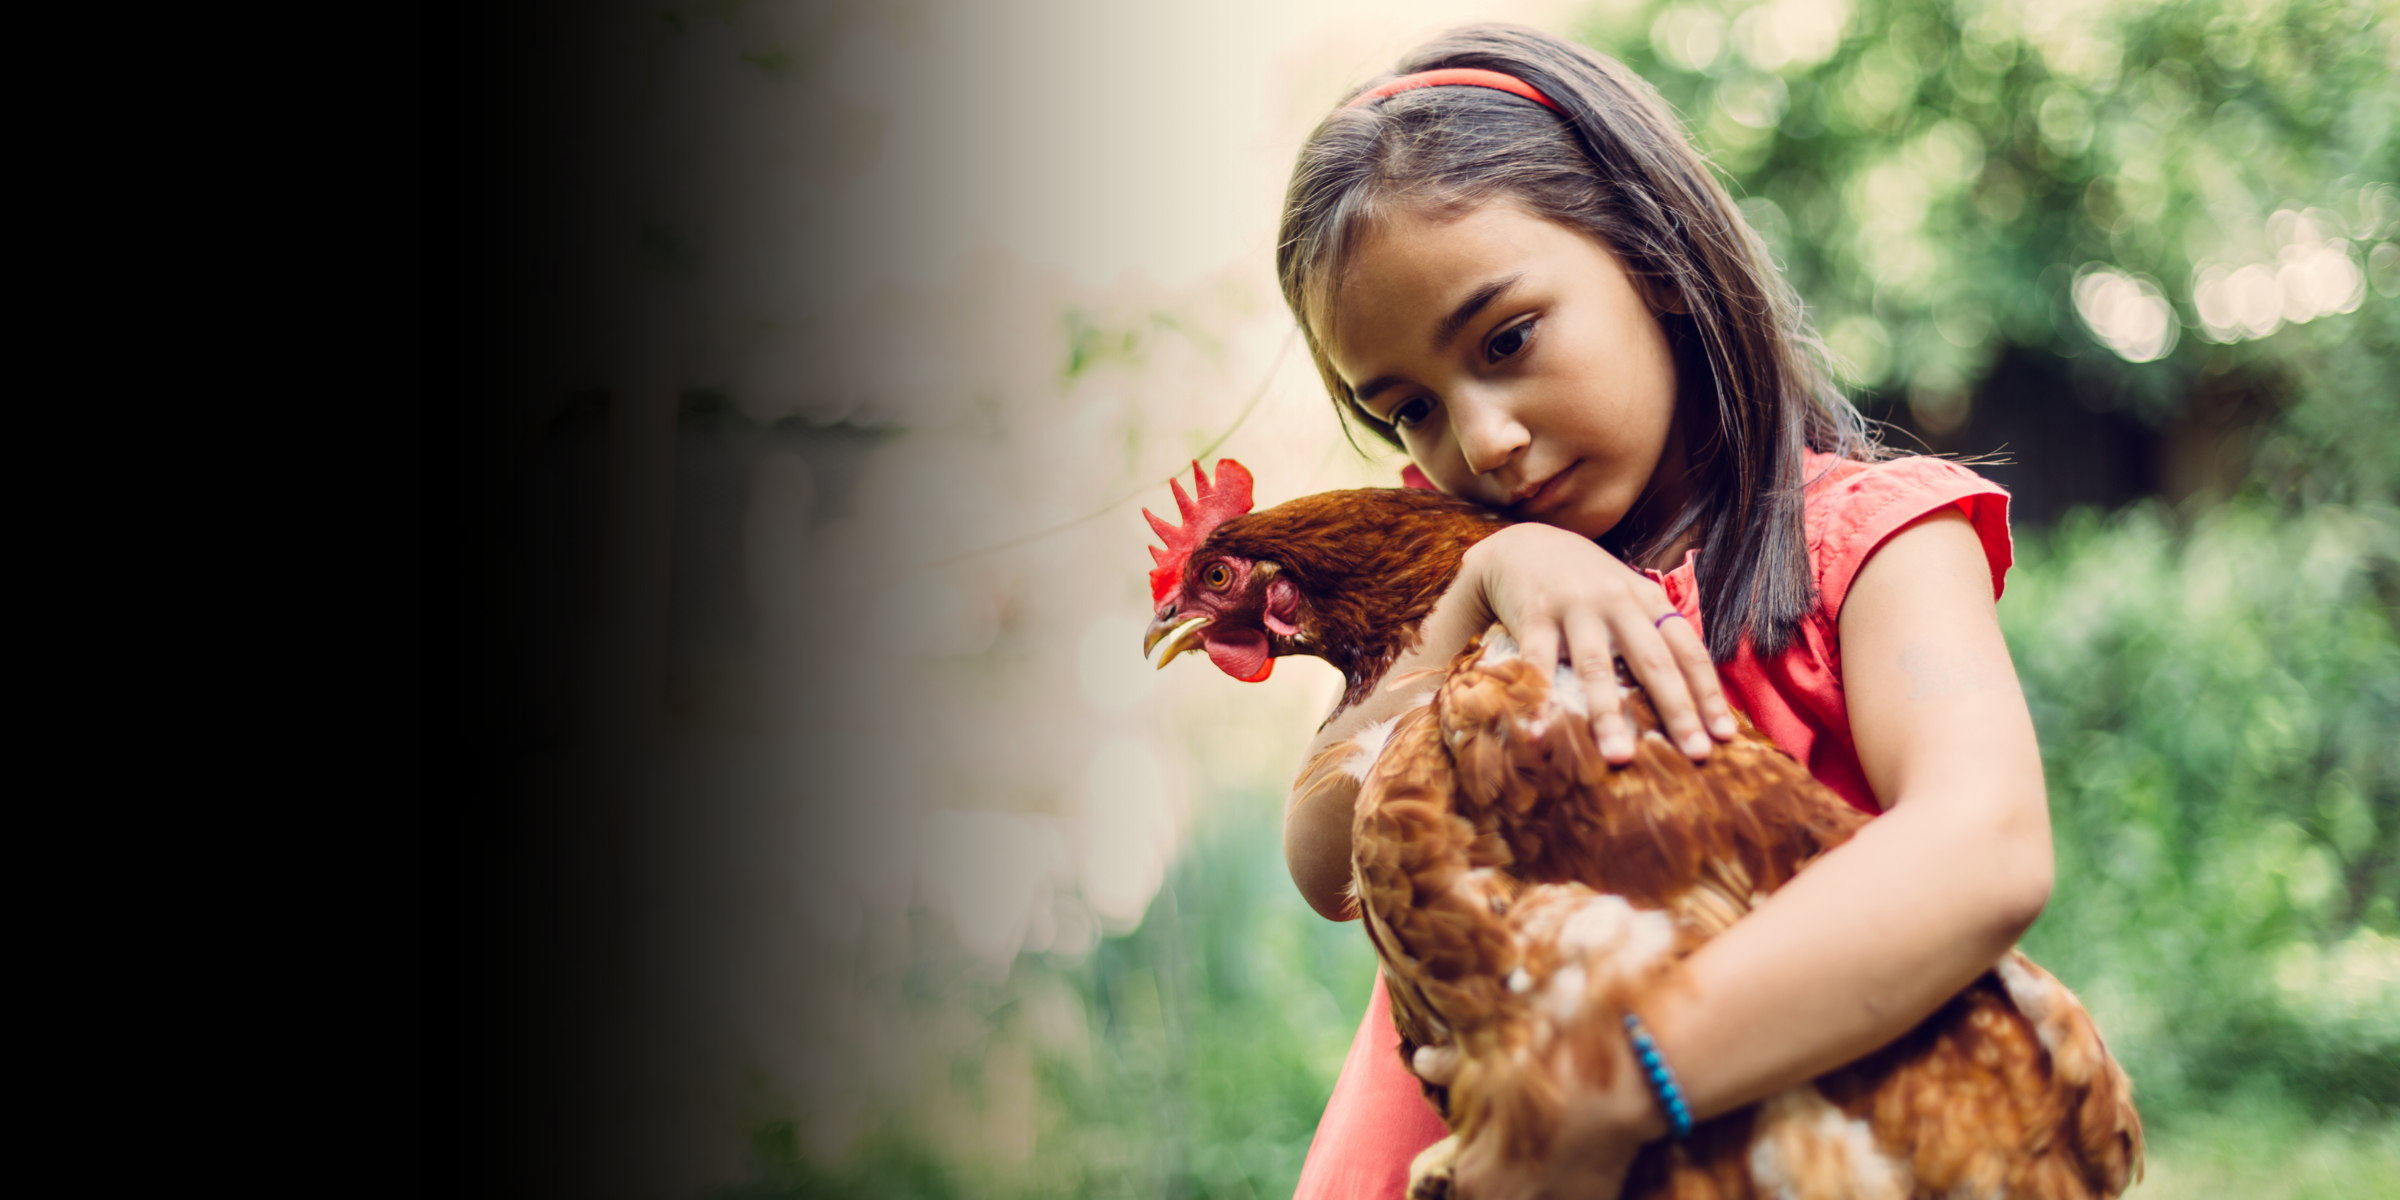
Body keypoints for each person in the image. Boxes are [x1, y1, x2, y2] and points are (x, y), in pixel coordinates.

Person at [1273, 24, 2048, 1200]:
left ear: (1659, 258)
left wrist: (1616, 1086)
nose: (1481, 439)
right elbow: (1325, 866)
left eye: (1508, 339)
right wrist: (1486, 579)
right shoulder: (1467, 596)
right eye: (1408, 413)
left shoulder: (1864, 547)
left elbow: (1985, 845)